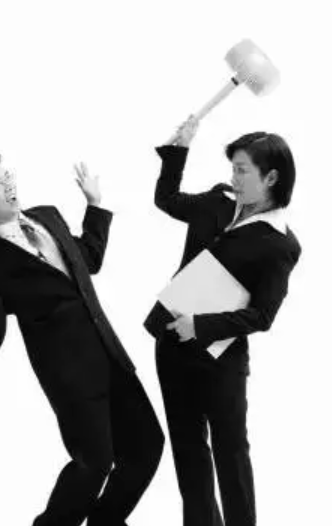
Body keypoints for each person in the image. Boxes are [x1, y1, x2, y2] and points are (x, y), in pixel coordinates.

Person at [0, 152, 164, 526]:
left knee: (147, 446)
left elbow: (88, 260)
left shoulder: (48, 216)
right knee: (94, 464)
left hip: (111, 356)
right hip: (71, 380)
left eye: (7, 176)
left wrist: (94, 206)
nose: (9, 185)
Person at [144, 116, 302, 526]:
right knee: (188, 451)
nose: (233, 177)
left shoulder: (280, 244)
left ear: (271, 177)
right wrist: (178, 151)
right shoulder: (217, 201)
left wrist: (201, 326)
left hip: (221, 359)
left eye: (242, 170)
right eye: (232, 168)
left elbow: (262, 315)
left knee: (231, 452)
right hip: (172, 346)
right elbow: (167, 199)